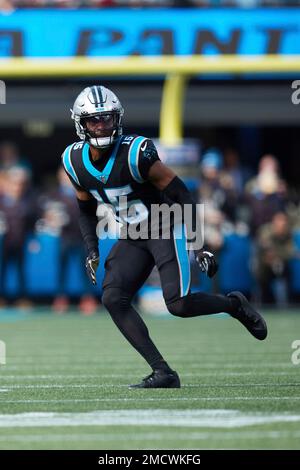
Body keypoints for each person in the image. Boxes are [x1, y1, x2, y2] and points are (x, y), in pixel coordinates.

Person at [61, 85, 267, 389]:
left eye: (107, 118)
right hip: (132, 232)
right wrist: (92, 250)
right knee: (113, 298)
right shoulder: (73, 161)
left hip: (163, 224)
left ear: (117, 119)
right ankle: (163, 372)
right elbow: (85, 209)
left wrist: (199, 244)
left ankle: (233, 305)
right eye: (95, 120)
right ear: (81, 123)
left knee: (179, 305)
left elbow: (181, 192)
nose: (102, 125)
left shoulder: (136, 152)